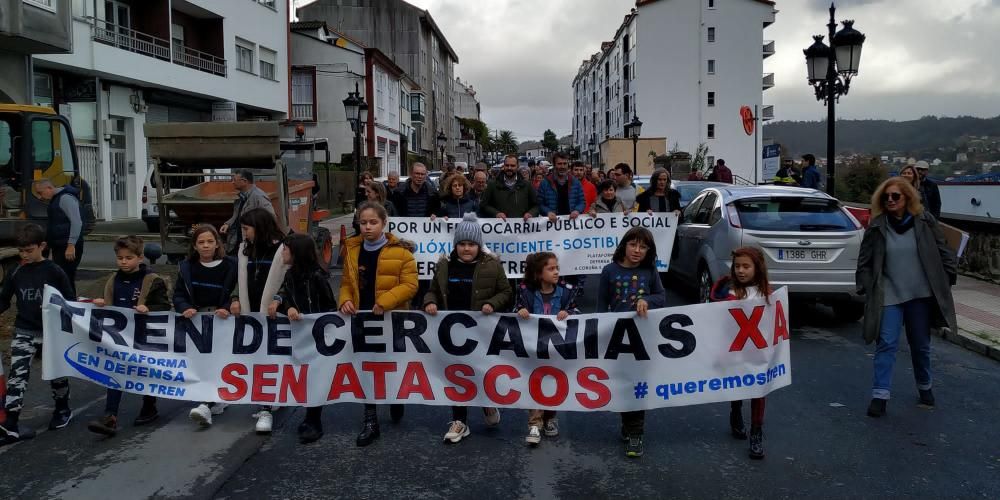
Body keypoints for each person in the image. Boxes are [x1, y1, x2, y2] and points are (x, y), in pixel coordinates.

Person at [857, 177, 956, 418]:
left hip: (920, 293)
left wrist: (948, 276)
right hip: (889, 292)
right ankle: (880, 396)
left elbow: (943, 249)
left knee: (920, 345)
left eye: (895, 196)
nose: (890, 200)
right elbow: (865, 260)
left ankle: (925, 386)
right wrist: (866, 285)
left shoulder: (924, 221)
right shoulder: (878, 226)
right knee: (886, 343)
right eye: (886, 197)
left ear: (907, 198)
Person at [423, 213, 511, 443]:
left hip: (481, 333)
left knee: (479, 372)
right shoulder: (444, 266)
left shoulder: (492, 266)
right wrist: (429, 301)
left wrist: (493, 303)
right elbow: (432, 290)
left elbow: (507, 292)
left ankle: (486, 403)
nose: (466, 248)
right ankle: (460, 420)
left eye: (471, 244)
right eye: (462, 244)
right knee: (456, 376)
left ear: (479, 245)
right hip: (451, 333)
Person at [339, 201, 418, 447]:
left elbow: (410, 285)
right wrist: (345, 301)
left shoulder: (402, 253)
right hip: (362, 319)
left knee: (391, 364)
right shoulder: (351, 251)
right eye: (363, 223)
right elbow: (345, 283)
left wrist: (384, 302)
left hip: (391, 319)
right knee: (366, 367)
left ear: (384, 224)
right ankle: (370, 419)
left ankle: (395, 397)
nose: (367, 227)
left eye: (373, 222)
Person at [86, 236, 172, 436]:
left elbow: (165, 306)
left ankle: (149, 405)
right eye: (120, 258)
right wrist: (101, 304)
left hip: (144, 335)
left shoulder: (152, 280)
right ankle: (110, 416)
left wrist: (148, 307)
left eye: (129, 257)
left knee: (145, 371)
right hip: (119, 337)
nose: (124, 261)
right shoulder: (113, 280)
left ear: (140, 257)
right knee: (115, 371)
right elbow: (110, 304)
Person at [0, 224, 75, 446]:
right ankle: (11, 424)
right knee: (17, 377)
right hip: (24, 330)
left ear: (42, 246)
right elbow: (4, 300)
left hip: (51, 332)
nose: (25, 255)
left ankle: (62, 409)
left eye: (29, 250)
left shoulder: (54, 271)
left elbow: (69, 300)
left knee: (56, 373)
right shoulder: (15, 271)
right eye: (21, 251)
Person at [597, 227, 668, 458]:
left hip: (642, 337)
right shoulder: (609, 271)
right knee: (622, 383)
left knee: (638, 384)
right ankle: (628, 423)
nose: (638, 251)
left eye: (644, 247)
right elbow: (600, 306)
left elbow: (661, 297)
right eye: (633, 245)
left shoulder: (650, 271)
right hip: (617, 337)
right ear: (624, 245)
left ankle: (636, 432)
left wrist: (646, 300)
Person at [267, 233, 337, 444]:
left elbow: (330, 307)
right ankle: (310, 416)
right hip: (299, 335)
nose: (283, 253)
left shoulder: (317, 276)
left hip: (316, 337)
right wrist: (286, 306)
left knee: (315, 376)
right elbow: (287, 294)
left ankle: (314, 420)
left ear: (296, 253)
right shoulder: (290, 275)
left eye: (286, 250)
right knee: (304, 375)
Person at [709, 247, 773, 460]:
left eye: (746, 266)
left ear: (758, 268)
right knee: (736, 384)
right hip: (733, 348)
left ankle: (756, 432)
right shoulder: (727, 290)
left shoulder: (766, 293)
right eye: (737, 266)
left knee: (758, 389)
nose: (741, 271)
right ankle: (736, 412)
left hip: (756, 350)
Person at [230, 208, 289, 434]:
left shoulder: (282, 248)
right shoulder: (245, 250)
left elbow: (289, 278)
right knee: (258, 359)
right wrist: (235, 298)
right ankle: (267, 399)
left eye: (246, 228)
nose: (244, 233)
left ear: (260, 227)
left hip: (275, 314)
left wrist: (279, 298)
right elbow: (239, 278)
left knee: (272, 358)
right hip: (251, 313)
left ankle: (267, 406)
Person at [175, 225, 238, 428]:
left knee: (218, 360)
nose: (206, 246)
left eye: (210, 241)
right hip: (197, 320)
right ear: (194, 245)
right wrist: (185, 307)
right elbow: (178, 294)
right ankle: (213, 400)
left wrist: (227, 307)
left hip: (222, 320)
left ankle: (207, 404)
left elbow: (238, 292)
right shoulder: (186, 267)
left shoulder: (231, 265)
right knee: (202, 362)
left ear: (217, 243)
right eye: (201, 242)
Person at [516, 252, 578, 446]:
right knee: (535, 381)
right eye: (551, 268)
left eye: (557, 267)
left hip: (557, 348)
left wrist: (568, 312)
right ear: (538, 273)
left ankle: (550, 417)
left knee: (552, 382)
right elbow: (514, 311)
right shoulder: (525, 292)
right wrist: (520, 311)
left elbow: (577, 312)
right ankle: (534, 423)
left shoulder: (567, 291)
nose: (556, 272)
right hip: (534, 347)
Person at [33, 178, 85, 292]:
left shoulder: (65, 198)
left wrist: (71, 245)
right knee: (60, 278)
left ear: (49, 188)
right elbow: (55, 224)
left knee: (65, 278)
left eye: (40, 192)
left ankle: (70, 305)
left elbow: (77, 222)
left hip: (67, 246)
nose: (39, 196)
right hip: (61, 245)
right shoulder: (56, 199)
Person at [220, 170, 277, 255]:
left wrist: (259, 237)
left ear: (244, 181)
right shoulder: (242, 197)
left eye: (234, 180)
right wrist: (228, 224)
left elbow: (271, 218)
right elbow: (238, 215)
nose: (232, 182)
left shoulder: (258, 196)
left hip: (252, 243)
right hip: (239, 241)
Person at [479, 154, 540, 221]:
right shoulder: (492, 184)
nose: (509, 168)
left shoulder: (527, 185)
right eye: (507, 165)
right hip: (499, 228)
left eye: (512, 166)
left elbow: (536, 206)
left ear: (517, 167)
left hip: (521, 228)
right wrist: (496, 213)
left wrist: (530, 213)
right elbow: (484, 205)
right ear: (503, 166)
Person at [537, 153, 585, 222]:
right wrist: (548, 212)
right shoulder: (545, 183)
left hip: (571, 223)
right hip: (552, 223)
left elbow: (581, 201)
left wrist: (577, 210)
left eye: (565, 163)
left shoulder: (575, 182)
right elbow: (540, 204)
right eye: (559, 164)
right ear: (554, 165)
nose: (562, 166)